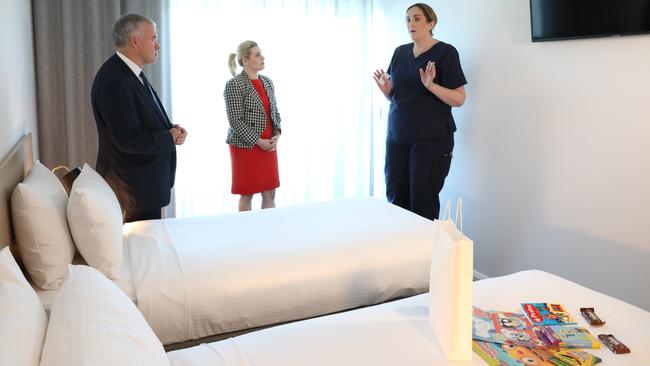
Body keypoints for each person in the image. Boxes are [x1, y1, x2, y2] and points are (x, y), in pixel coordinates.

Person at [373, 3, 466, 220]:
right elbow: (397, 95)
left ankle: (423, 254)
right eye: (407, 19)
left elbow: (460, 98)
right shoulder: (400, 52)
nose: (410, 23)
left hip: (430, 142)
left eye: (416, 19)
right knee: (396, 200)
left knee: (422, 203)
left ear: (430, 23)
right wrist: (387, 90)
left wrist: (431, 85)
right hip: (397, 137)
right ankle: (399, 253)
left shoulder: (446, 53)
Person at [91, 14, 187, 223]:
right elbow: (128, 139)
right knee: (141, 254)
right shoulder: (114, 80)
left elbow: (141, 120)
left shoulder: (129, 73)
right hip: (133, 192)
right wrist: (168, 137)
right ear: (135, 41)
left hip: (143, 189)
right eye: (153, 38)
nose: (158, 45)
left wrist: (170, 130)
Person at [224, 41, 281, 211]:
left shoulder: (268, 82)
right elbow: (235, 120)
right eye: (257, 55)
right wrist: (258, 141)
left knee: (270, 193)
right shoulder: (234, 84)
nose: (263, 57)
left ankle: (268, 232)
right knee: (247, 193)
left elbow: (275, 112)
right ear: (245, 60)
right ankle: (246, 233)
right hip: (246, 146)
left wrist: (277, 133)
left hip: (269, 145)